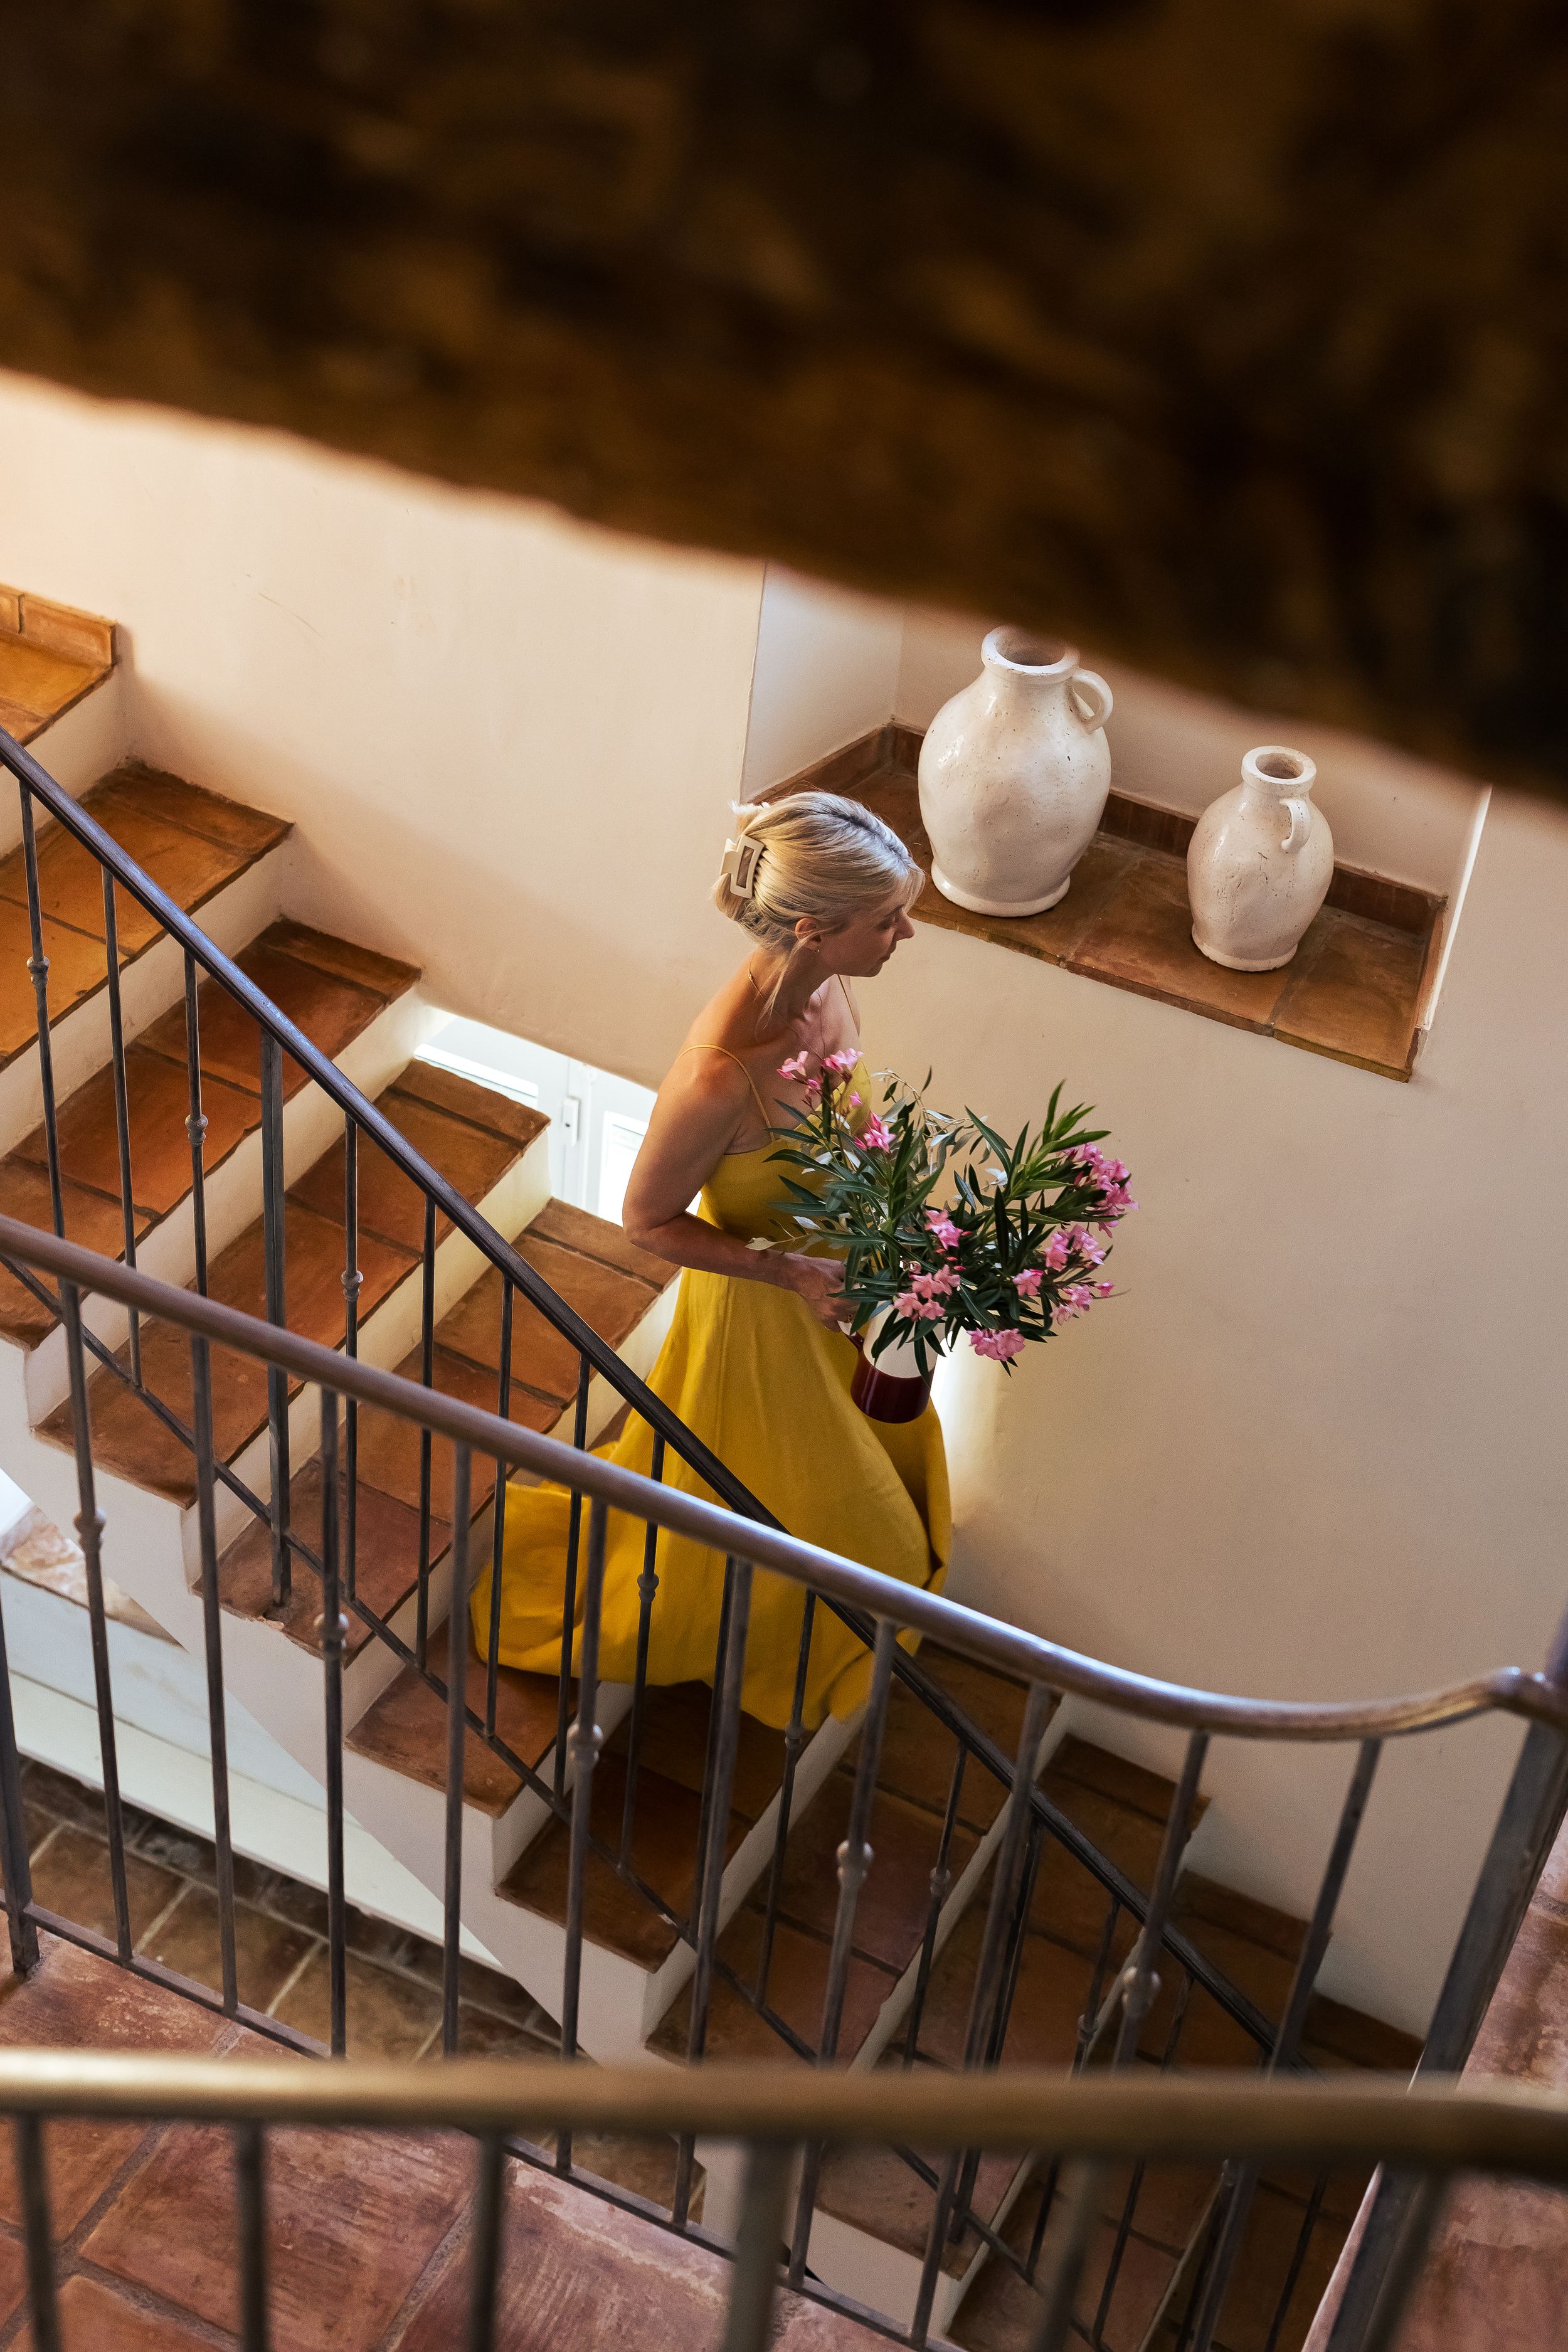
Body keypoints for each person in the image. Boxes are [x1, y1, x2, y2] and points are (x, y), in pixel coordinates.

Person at [470, 791, 951, 1728]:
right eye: (889, 919)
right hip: (768, 1320)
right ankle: (760, 1645)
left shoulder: (830, 984)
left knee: (856, 1486)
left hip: (846, 1294)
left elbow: (851, 1112)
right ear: (815, 927)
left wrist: (897, 1202)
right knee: (846, 1529)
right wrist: (793, 1274)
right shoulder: (718, 1077)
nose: (909, 933)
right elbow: (645, 1219)